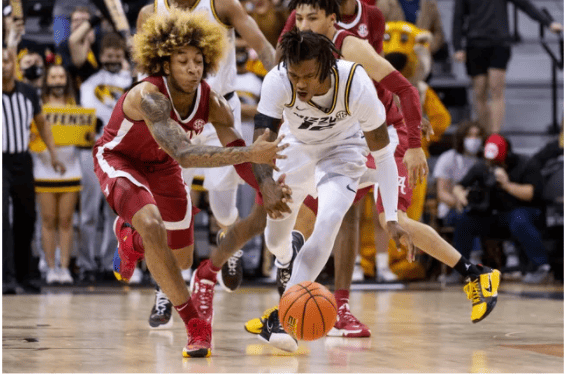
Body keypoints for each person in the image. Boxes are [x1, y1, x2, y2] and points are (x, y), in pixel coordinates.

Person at [248, 1, 503, 349]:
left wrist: (413, 143)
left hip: (383, 137)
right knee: (314, 212)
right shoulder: (299, 53)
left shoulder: (352, 46)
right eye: (299, 18)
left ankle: (475, 274)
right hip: (341, 135)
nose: (302, 25)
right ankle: (291, 284)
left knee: (387, 219)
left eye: (311, 18)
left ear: (332, 19)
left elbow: (401, 89)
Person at [95, 9, 287, 357]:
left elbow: (240, 150)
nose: (192, 68)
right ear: (165, 65)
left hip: (162, 164)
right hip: (121, 160)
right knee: (152, 224)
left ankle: (130, 239)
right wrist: (251, 157)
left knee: (180, 259)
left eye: (198, 60)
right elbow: (185, 154)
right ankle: (195, 324)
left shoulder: (212, 101)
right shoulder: (148, 96)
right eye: (182, 60)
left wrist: (265, 186)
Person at [135, 0, 278, 328]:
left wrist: (284, 79)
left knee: (223, 207)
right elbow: (145, 74)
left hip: (219, 111)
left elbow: (262, 46)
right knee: (173, 209)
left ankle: (231, 242)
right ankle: (166, 290)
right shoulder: (149, 12)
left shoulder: (222, 4)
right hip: (172, 114)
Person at [2, 46, 66, 294]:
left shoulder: (28, 93)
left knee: (26, 216)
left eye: (7, 61)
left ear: (14, 65)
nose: (4, 66)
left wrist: (53, 155)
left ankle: (24, 274)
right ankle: (6, 277)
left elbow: (43, 126)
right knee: (2, 220)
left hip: (22, 159)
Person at [452, 134, 552, 284]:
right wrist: (461, 195)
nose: (492, 164)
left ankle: (541, 267)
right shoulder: (483, 166)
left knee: (518, 218)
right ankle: (460, 269)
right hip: (496, 217)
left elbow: (531, 194)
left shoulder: (526, 163)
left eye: (496, 161)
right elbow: (459, 186)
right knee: (465, 220)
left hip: (526, 214)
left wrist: (506, 185)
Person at [452, 0, 562, 133]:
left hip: (499, 41)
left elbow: (524, 5)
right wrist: (457, 46)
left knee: (496, 90)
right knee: (479, 92)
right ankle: (484, 135)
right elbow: (458, 16)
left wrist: (547, 22)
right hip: (475, 43)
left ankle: (494, 137)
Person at [78, 32, 133, 284]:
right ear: (100, 56)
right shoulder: (88, 83)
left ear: (123, 57)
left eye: (117, 55)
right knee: (89, 212)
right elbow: (88, 118)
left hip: (122, 153)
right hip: (93, 151)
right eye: (108, 55)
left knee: (118, 214)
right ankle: (87, 263)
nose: (112, 59)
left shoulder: (131, 83)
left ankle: (113, 263)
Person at [31, 64, 82, 285]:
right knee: (48, 219)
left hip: (71, 166)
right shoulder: (38, 105)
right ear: (47, 80)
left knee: (66, 220)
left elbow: (85, 137)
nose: (58, 80)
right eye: (53, 76)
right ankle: (50, 267)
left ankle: (64, 267)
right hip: (44, 167)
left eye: (62, 76)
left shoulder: (76, 106)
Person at [433, 120, 486, 283]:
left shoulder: (485, 160)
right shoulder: (449, 158)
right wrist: (458, 203)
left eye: (477, 136)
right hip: (452, 208)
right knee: (466, 218)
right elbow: (442, 194)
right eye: (470, 135)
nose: (474, 140)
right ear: (461, 138)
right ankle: (466, 266)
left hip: (482, 208)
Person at [57, 6, 102, 97]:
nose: (80, 23)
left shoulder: (100, 44)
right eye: (76, 20)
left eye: (85, 20)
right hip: (74, 95)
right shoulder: (64, 46)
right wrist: (85, 43)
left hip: (100, 94)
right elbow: (72, 69)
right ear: (70, 25)